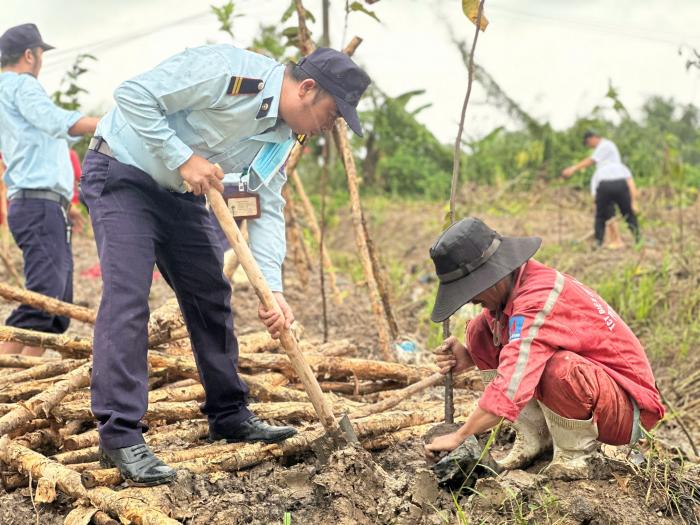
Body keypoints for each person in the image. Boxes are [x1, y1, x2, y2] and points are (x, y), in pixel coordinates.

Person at [81, 45, 370, 486]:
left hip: (183, 196)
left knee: (211, 298)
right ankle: (119, 435)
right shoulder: (229, 72)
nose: (332, 127)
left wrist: (273, 288)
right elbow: (133, 95)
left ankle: (229, 414)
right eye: (333, 114)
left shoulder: (282, 136)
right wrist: (183, 156)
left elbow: (267, 205)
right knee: (128, 296)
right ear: (308, 89)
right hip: (123, 172)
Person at [424, 218, 664, 480]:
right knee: (479, 331)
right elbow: (515, 346)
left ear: (491, 276)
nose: (471, 299)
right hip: (600, 390)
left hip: (629, 407)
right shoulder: (512, 293)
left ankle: (575, 458)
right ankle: (536, 437)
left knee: (559, 369)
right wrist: (470, 356)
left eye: (470, 290)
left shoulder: (538, 299)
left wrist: (460, 436)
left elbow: (511, 387)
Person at [0, 23, 98, 357]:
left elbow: (49, 136)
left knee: (54, 308)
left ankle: (20, 382)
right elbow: (57, 121)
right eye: (40, 54)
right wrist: (111, 123)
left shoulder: (6, 91)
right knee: (43, 300)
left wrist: (66, 204)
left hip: (41, 203)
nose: (40, 61)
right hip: (36, 202)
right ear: (30, 54)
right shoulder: (22, 86)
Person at [562, 131, 640, 247]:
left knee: (601, 216)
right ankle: (637, 239)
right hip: (620, 184)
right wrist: (634, 202)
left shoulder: (605, 147)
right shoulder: (620, 167)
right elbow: (631, 183)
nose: (589, 146)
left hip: (604, 185)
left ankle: (599, 243)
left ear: (593, 138)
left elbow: (591, 163)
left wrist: (573, 169)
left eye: (588, 143)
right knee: (628, 213)